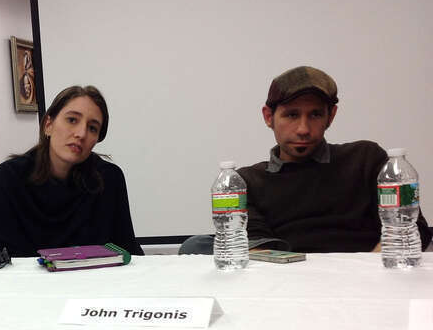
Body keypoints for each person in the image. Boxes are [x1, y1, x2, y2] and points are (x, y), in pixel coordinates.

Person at [180, 65, 431, 254]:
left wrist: (366, 273)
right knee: (196, 245)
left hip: (365, 273)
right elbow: (260, 251)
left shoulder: (366, 158)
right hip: (289, 279)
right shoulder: (246, 180)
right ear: (269, 117)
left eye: (315, 115)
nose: (303, 129)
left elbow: (411, 228)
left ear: (330, 116)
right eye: (291, 115)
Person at [0, 85, 144, 257]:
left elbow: (127, 249)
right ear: (48, 125)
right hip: (31, 282)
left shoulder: (108, 178)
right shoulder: (7, 179)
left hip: (97, 281)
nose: (81, 133)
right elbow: (6, 260)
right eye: (72, 120)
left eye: (92, 128)